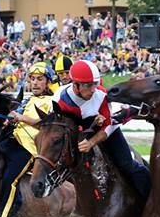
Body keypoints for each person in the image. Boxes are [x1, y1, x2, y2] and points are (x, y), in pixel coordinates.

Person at [53, 59, 150, 199]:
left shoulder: (101, 94)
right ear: (76, 85)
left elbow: (109, 124)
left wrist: (91, 142)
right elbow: (56, 127)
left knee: (128, 165)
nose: (93, 89)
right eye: (88, 85)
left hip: (106, 131)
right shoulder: (59, 97)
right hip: (78, 132)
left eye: (95, 84)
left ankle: (151, 198)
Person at [0, 61, 58, 217]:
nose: (35, 83)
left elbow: (44, 122)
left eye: (40, 79)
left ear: (48, 83)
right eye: (32, 79)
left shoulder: (52, 101)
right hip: (8, 139)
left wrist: (20, 117)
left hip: (27, 148)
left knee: (9, 181)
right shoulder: (28, 99)